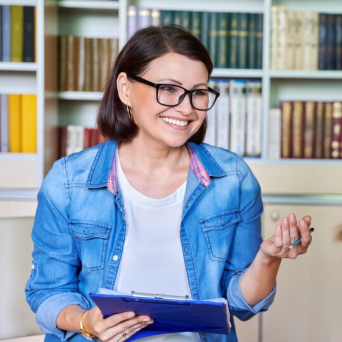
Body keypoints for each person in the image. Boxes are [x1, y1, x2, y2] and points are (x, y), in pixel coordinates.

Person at [25, 25, 313, 342]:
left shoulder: (233, 178)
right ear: (125, 89)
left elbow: (241, 304)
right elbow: (48, 291)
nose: (187, 108)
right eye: (169, 89)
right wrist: (86, 322)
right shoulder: (68, 182)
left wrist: (267, 259)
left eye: (199, 92)